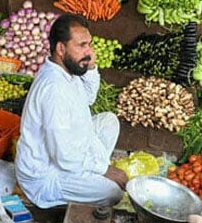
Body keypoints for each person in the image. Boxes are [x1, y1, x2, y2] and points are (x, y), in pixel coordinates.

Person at [15, 14, 127, 209]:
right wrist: (104, 169)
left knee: (109, 121)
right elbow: (64, 156)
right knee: (113, 193)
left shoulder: (65, 69)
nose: (89, 52)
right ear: (61, 48)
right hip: (47, 176)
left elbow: (88, 98)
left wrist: (90, 67)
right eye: (81, 45)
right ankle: (89, 176)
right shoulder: (54, 90)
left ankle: (89, 173)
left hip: (67, 151)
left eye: (89, 44)